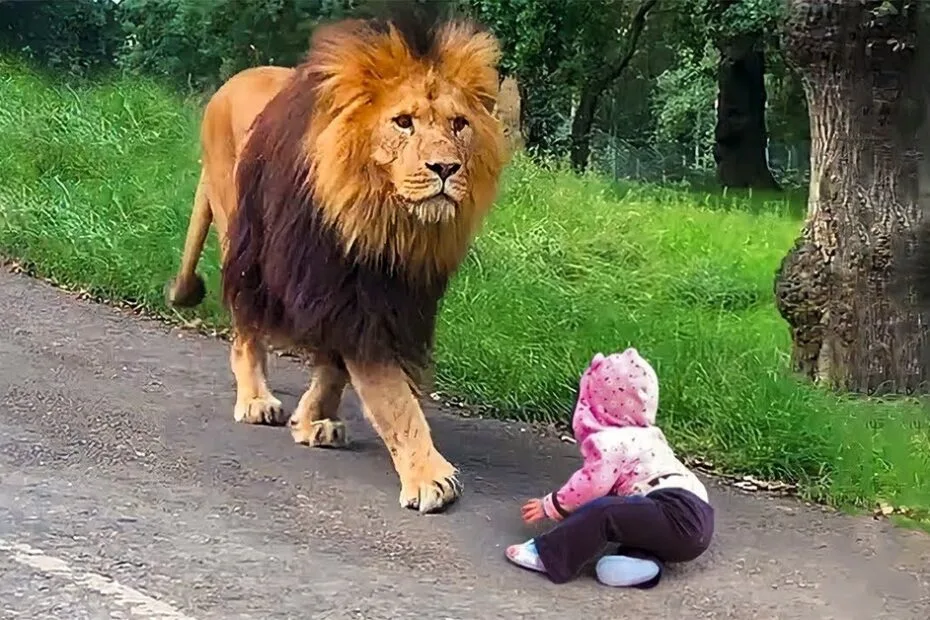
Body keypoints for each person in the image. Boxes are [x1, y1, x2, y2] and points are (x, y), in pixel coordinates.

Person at [505, 348, 714, 588]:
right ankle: (642, 562)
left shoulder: (612, 441)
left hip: (675, 510)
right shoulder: (650, 437)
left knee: (604, 512)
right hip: (698, 523)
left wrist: (553, 504)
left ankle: (549, 555)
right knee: (629, 518)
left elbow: (592, 484)